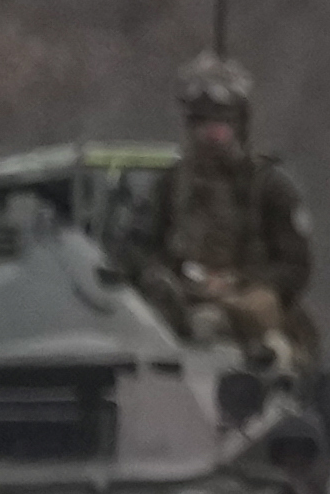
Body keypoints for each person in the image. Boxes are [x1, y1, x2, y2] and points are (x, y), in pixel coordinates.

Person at [135, 52, 316, 358]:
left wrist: (241, 283)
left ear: (238, 125)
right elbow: (139, 246)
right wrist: (160, 276)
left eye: (220, 123)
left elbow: (296, 266)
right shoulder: (170, 186)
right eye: (201, 122)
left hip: (250, 313)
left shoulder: (270, 188)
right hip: (182, 303)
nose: (211, 134)